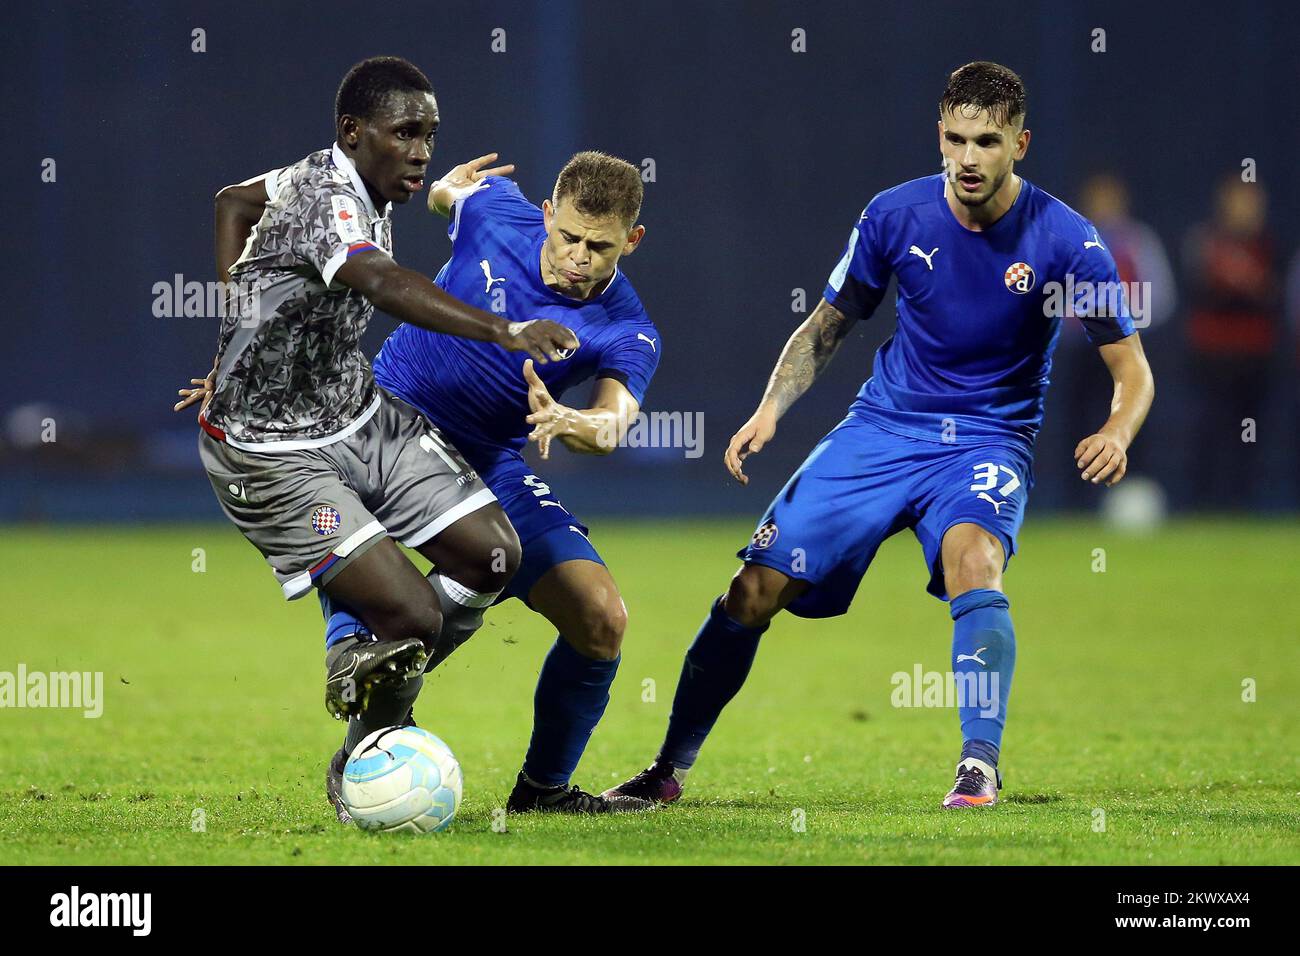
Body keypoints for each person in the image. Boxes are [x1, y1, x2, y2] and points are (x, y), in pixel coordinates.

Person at [604, 61, 1153, 809]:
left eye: (986, 142)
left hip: (988, 442)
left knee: (975, 560)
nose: (966, 158)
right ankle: (667, 768)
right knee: (752, 589)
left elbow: (1133, 369)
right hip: (883, 430)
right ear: (939, 134)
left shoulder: (1067, 241)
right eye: (955, 139)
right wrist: (772, 409)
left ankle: (979, 765)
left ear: (1020, 144)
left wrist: (1119, 430)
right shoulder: (894, 216)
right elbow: (827, 326)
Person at [175, 57, 576, 755]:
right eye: (404, 133)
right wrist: (505, 329)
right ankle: (368, 743)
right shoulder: (325, 199)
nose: (421, 151)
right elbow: (384, 282)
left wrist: (237, 346)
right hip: (272, 456)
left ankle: (370, 693)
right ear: (353, 132)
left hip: (362, 417)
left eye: (429, 133)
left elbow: (232, 201)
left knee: (494, 557)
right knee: (414, 617)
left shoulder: (336, 181)